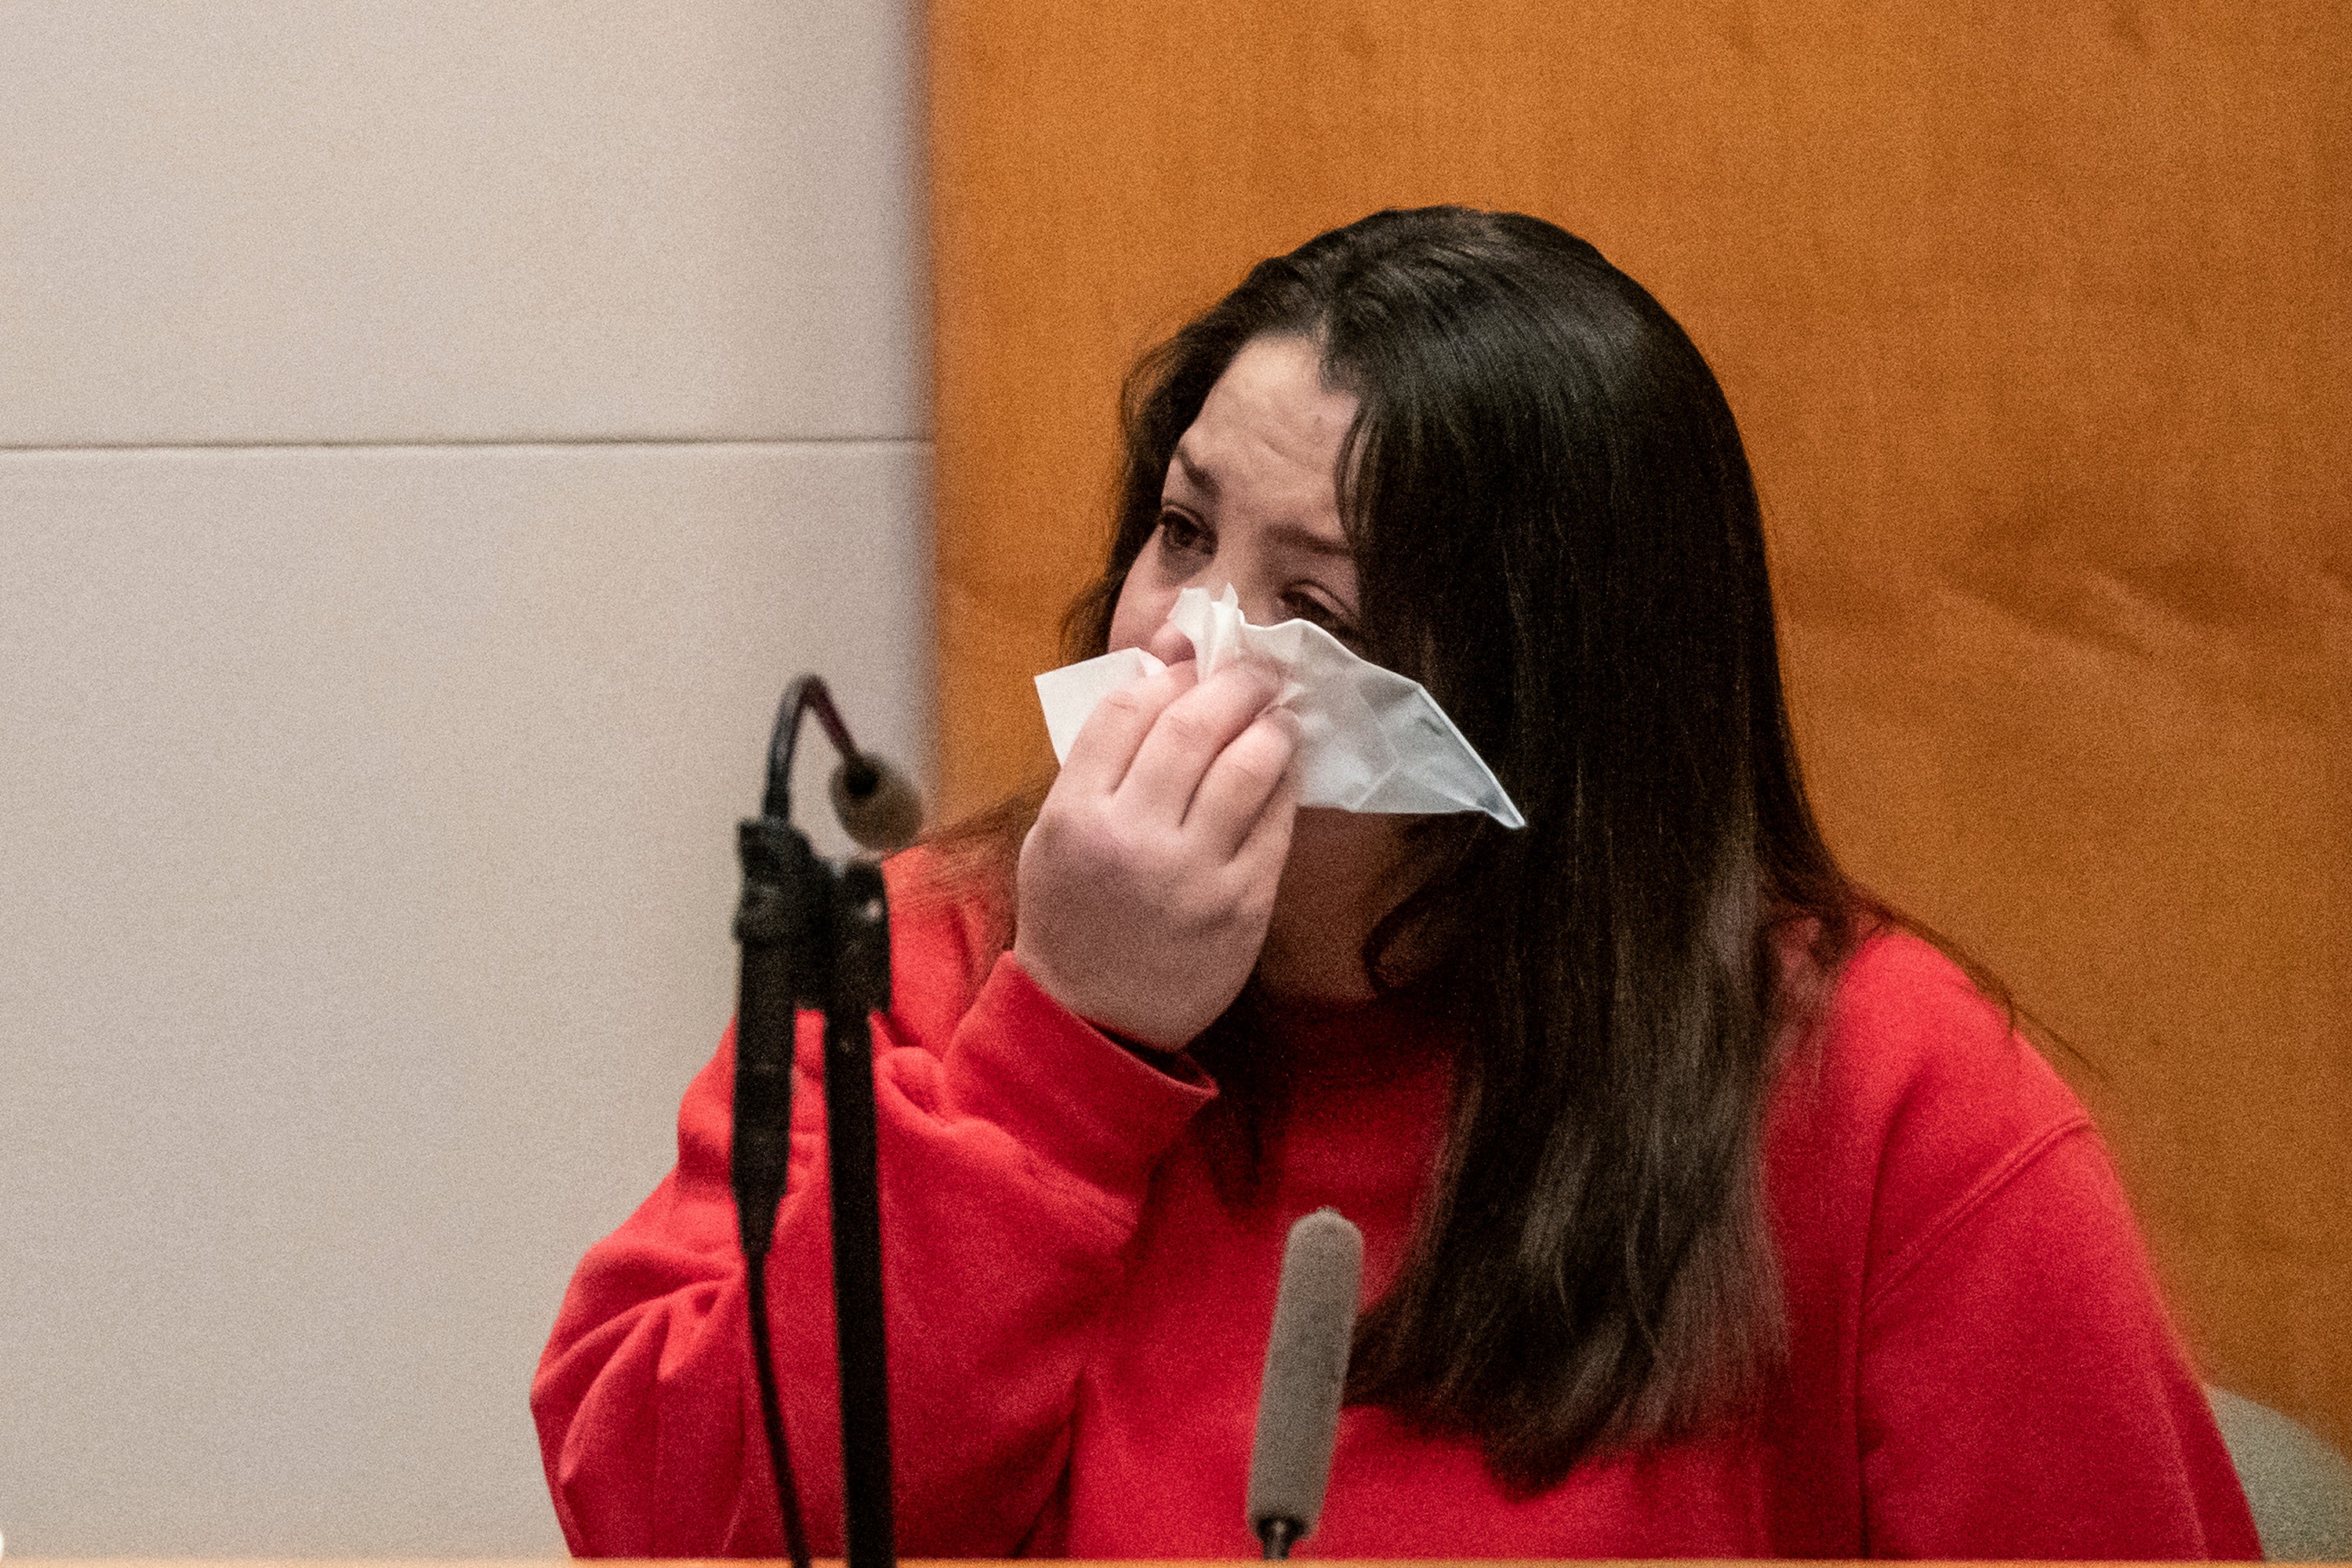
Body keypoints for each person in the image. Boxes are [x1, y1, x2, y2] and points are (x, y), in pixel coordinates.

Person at [532, 207, 2259, 1559]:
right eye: (1185, 532)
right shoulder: (938, 958)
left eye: (1319, 612)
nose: (1178, 648)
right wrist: (1062, 1056)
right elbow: (665, 1524)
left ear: (1531, 718)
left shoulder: (1888, 1096)